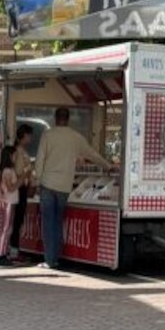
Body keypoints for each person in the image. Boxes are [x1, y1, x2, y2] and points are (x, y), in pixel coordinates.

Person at [35, 107, 113, 269]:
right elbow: (91, 154)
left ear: (55, 118)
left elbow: (40, 160)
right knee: (58, 222)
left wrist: (38, 181)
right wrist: (108, 166)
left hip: (48, 183)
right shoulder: (75, 137)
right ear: (68, 119)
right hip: (65, 185)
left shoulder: (48, 135)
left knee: (48, 223)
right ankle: (56, 257)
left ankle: (49, 260)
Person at [0, 146, 20, 267]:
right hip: (8, 201)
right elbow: (11, 188)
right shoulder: (8, 171)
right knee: (6, 228)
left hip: (9, 201)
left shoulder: (4, 170)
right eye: (14, 155)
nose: (16, 158)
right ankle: (0, 254)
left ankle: (3, 252)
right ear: (10, 156)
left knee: (7, 228)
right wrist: (21, 179)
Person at [9, 123, 35, 259]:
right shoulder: (19, 152)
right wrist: (28, 173)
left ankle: (13, 247)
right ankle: (14, 248)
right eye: (29, 136)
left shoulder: (21, 151)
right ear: (24, 136)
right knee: (17, 219)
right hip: (20, 188)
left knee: (17, 219)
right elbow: (20, 171)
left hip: (20, 188)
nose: (31, 139)